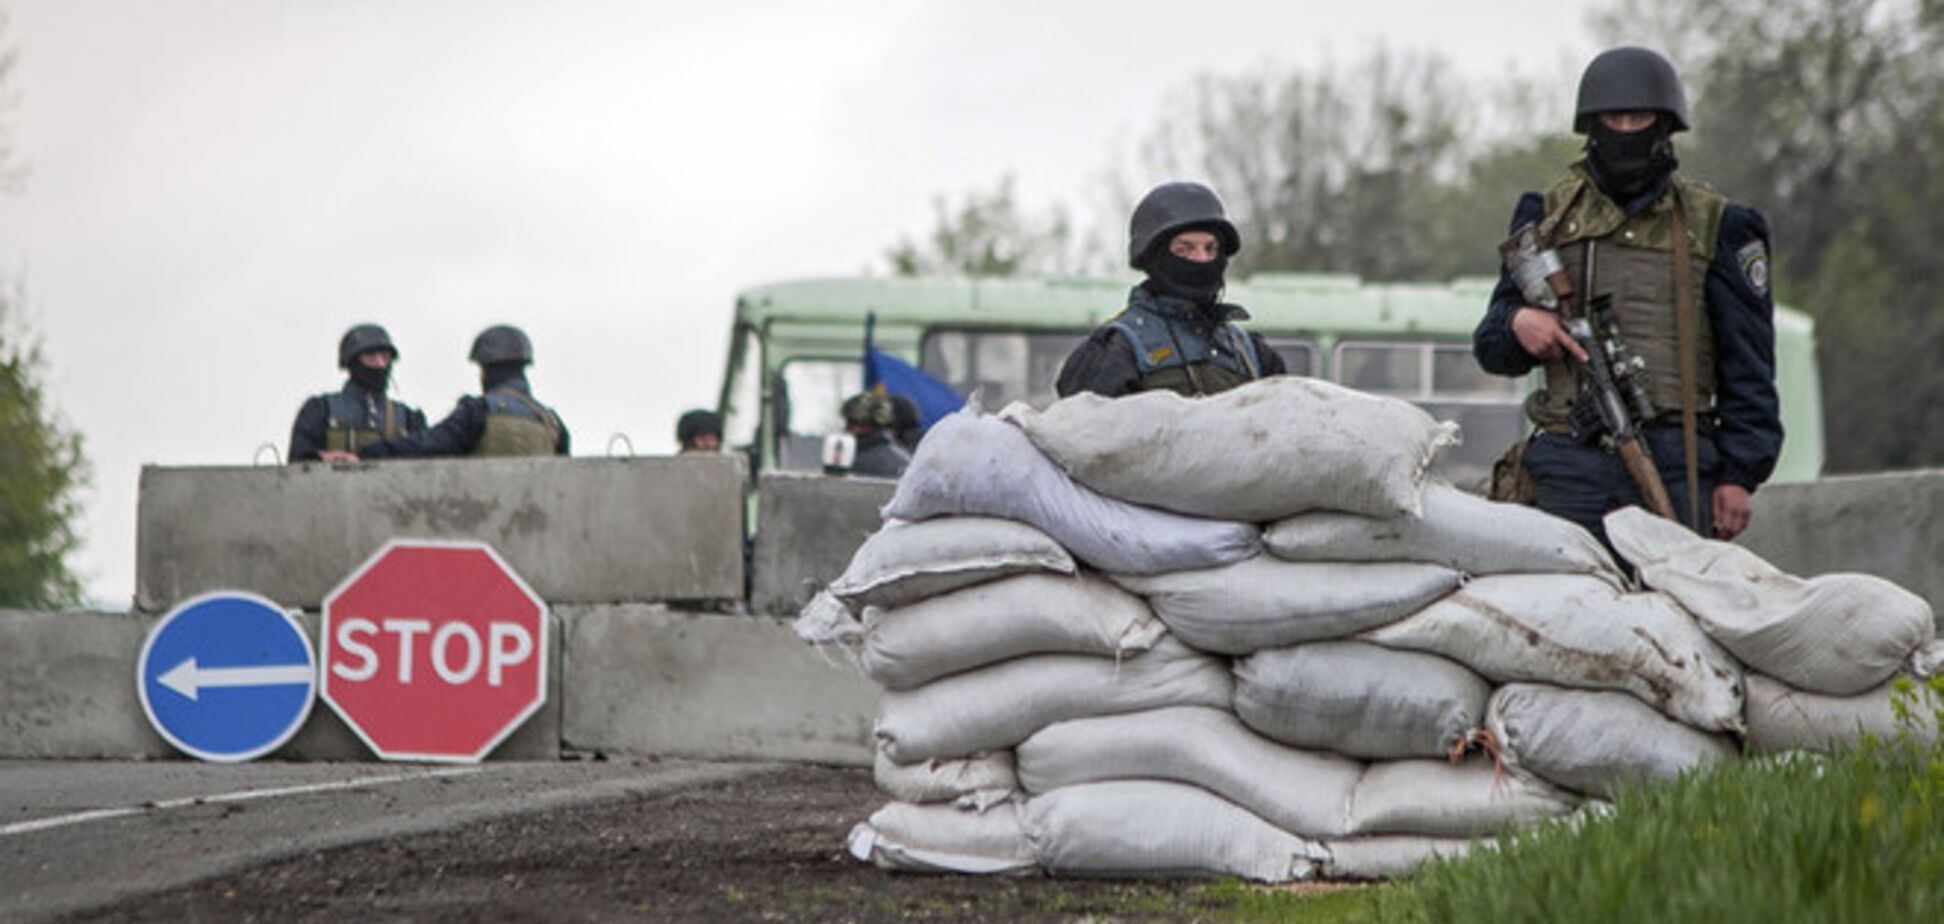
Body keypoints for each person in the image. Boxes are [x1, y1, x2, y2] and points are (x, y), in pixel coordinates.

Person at [1473, 46, 1782, 544]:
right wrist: (1518, 324)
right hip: (1569, 460)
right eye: (1613, 117)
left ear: (1663, 126)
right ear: (1593, 127)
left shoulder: (1720, 226)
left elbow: (1749, 365)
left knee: (1678, 606)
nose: (1624, 129)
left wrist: (1739, 474)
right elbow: (1491, 348)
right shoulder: (1546, 217)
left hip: (1675, 459)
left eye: (1637, 116)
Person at [1056, 181, 1287, 398]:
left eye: (1211, 248)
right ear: (1155, 257)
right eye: (1184, 250)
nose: (1201, 259)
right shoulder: (1114, 352)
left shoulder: (1250, 353)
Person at [358, 324, 571, 459]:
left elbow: (429, 445)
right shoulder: (551, 422)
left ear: (485, 370)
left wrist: (368, 453)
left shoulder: (478, 411)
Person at [289, 324, 428, 462]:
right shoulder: (320, 410)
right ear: (352, 362)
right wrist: (327, 458)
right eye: (370, 357)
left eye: (385, 357)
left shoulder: (410, 418)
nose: (380, 365)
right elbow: (298, 463)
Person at [840, 391, 910, 478]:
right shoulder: (902, 456)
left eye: (853, 423)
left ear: (870, 424)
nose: (847, 429)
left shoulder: (860, 460)